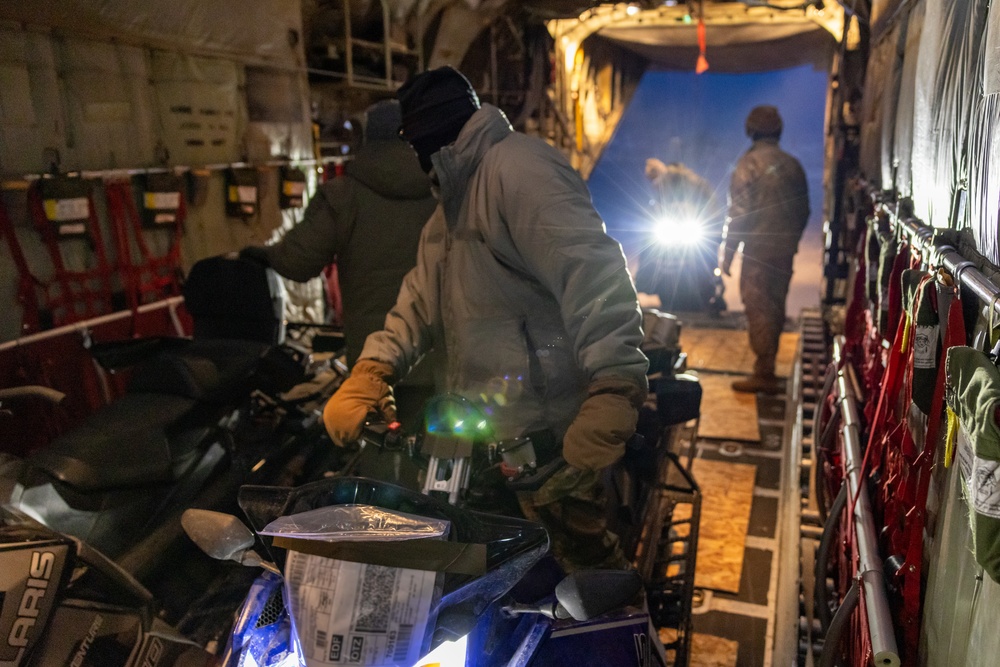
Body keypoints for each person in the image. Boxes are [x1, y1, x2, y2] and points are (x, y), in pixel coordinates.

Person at [322, 66, 649, 571]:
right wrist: (373, 369)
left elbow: (592, 275)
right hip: (482, 449)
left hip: (553, 443)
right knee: (484, 586)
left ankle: (632, 639)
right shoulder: (451, 202)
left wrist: (615, 386)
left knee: (585, 581)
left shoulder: (520, 171)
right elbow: (419, 301)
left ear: (432, 135)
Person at [240, 100, 438, 369]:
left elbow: (297, 261)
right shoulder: (448, 193)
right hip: (439, 356)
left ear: (366, 137)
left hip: (377, 357)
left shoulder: (343, 196)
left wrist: (265, 255)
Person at [721, 105, 809, 394]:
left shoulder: (748, 165)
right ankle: (767, 366)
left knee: (758, 307)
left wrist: (728, 255)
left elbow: (739, 214)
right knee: (775, 305)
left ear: (751, 130)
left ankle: (764, 372)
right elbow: (804, 210)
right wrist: (790, 242)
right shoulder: (793, 164)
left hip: (758, 251)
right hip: (782, 251)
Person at [637, 159, 725, 312]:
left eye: (652, 178)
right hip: (674, 226)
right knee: (649, 246)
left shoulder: (693, 183)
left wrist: (713, 226)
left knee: (706, 253)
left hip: (693, 224)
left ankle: (714, 282)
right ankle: (644, 280)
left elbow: (711, 206)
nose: (653, 182)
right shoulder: (663, 186)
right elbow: (656, 207)